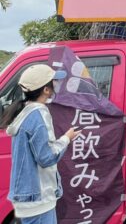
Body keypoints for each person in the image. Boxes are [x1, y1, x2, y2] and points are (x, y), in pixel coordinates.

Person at [0, 64, 82, 223]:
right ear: (46, 89)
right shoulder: (39, 114)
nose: (57, 83)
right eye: (54, 81)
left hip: (29, 197)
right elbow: (47, 157)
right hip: (38, 199)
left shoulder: (25, 111)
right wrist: (67, 138)